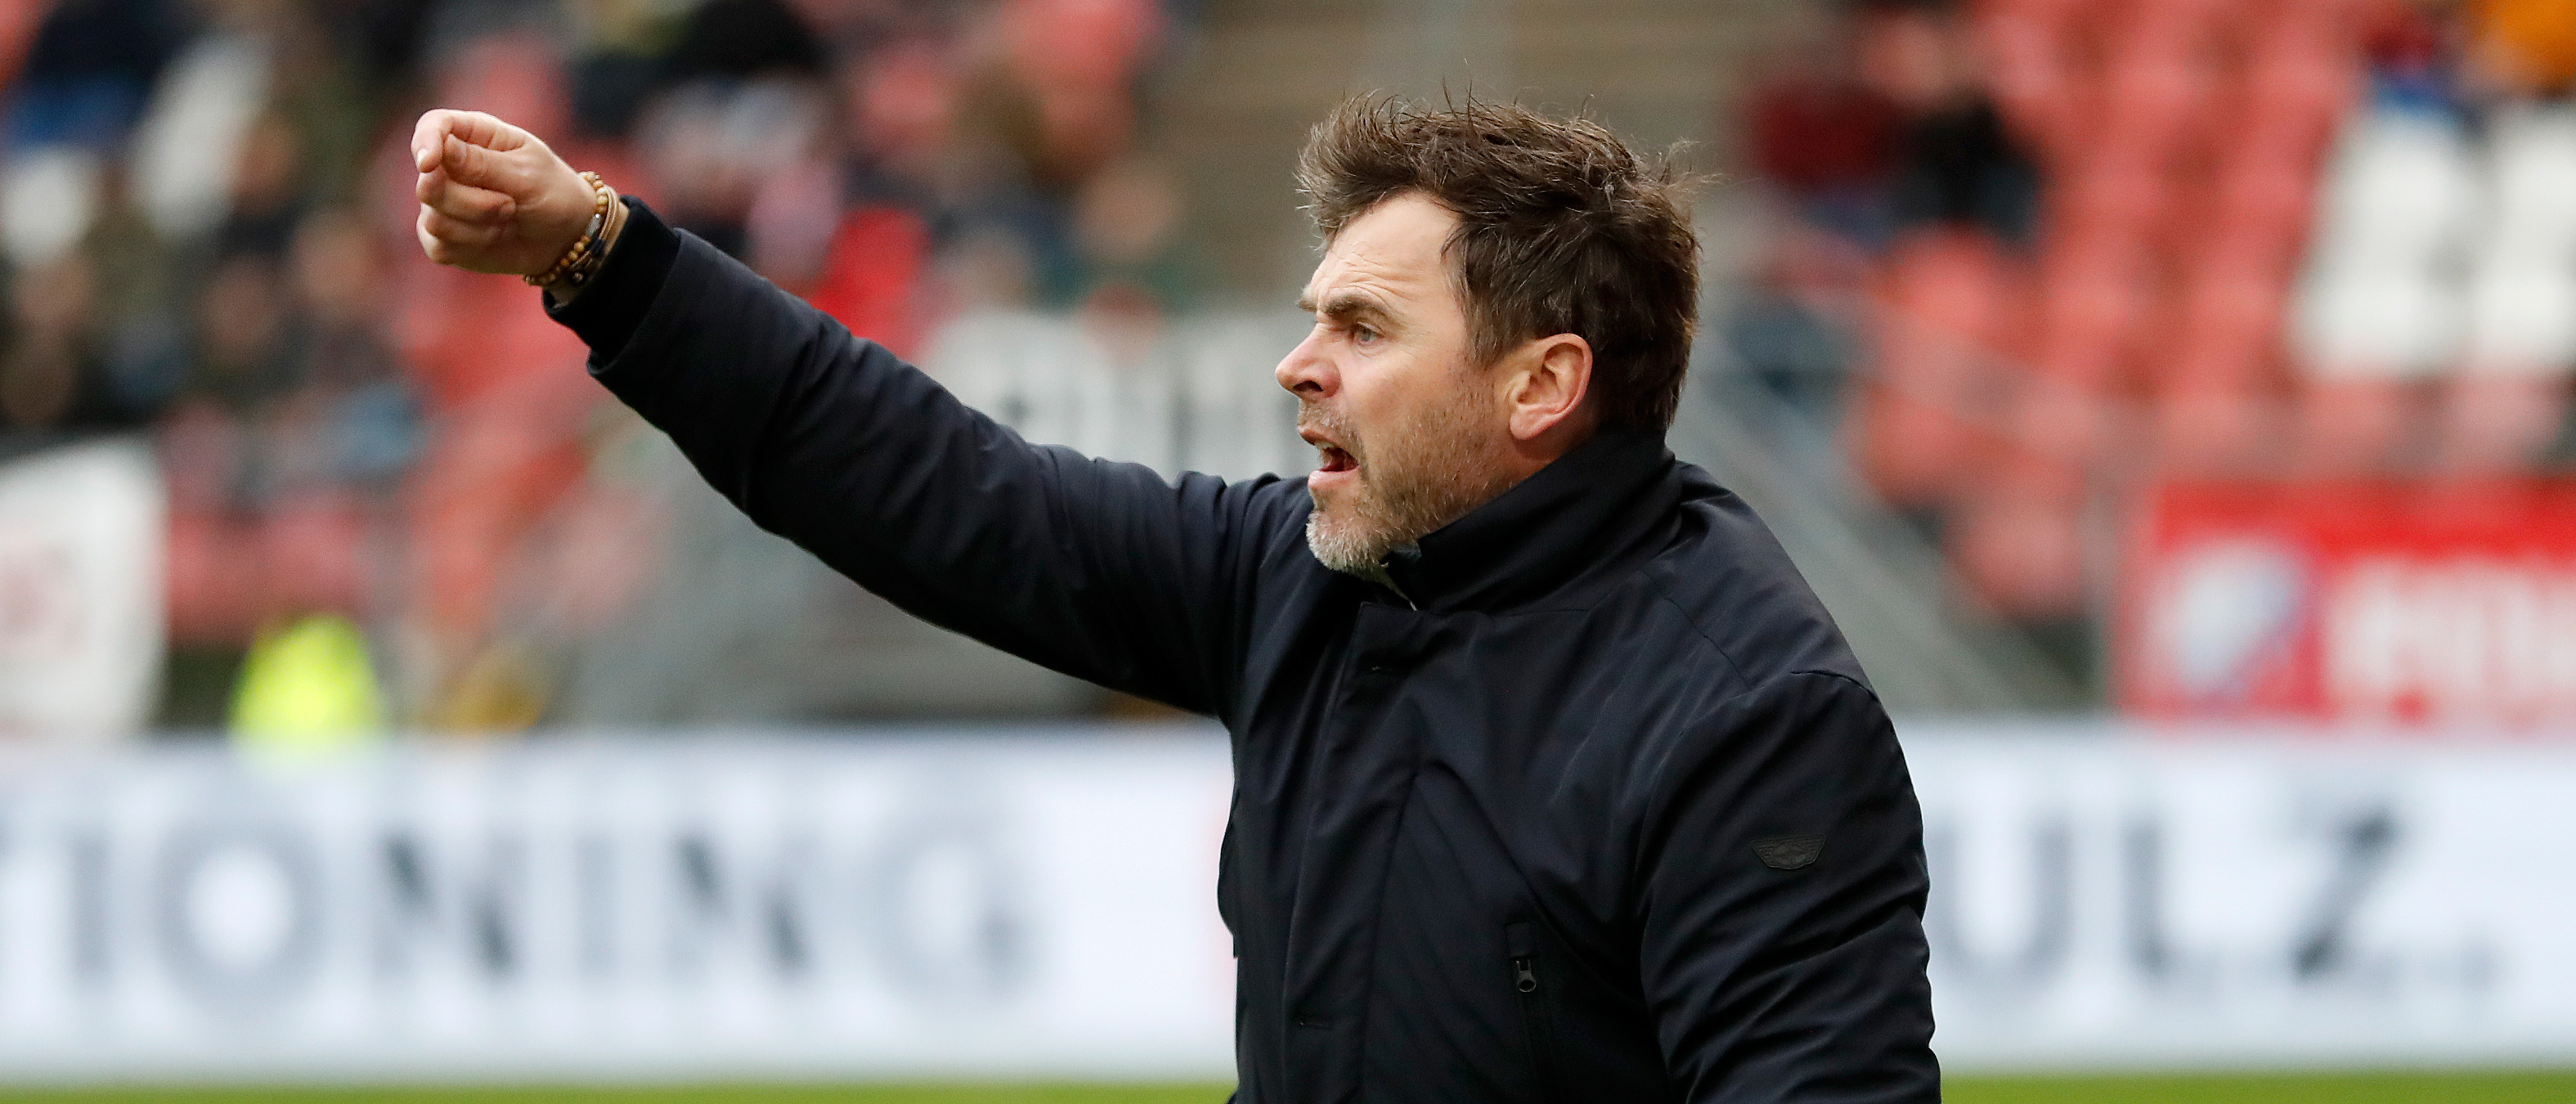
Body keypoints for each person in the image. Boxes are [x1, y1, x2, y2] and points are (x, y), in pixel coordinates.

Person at [411, 96, 1938, 1102]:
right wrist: (601, 255)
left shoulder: (1749, 714)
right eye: (1311, 318)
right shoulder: (1298, 577)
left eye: (1362, 327)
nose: (1297, 364)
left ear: (1540, 384)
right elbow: (933, 484)